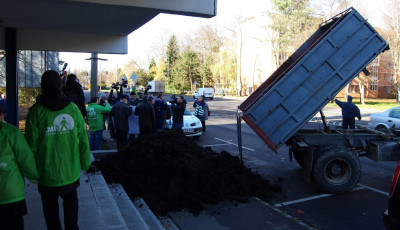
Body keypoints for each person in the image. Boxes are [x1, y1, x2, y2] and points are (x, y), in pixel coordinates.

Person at [25, 70, 91, 230]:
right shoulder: (72, 109)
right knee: (71, 213)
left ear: (42, 86)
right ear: (60, 84)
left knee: (51, 214)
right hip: (70, 171)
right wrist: (85, 162)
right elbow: (83, 138)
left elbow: (30, 147)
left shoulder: (35, 112)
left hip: (47, 175)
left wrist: (32, 173)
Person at [0, 107, 39, 230]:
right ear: (1, 115)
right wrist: (33, 175)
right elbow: (25, 158)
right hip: (11, 194)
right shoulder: (10, 132)